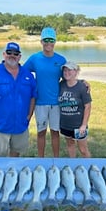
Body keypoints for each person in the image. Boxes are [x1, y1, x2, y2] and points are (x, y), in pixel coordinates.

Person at [23, 27, 66, 157]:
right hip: (40, 102)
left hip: (56, 103)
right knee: (41, 132)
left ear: (55, 42)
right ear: (41, 41)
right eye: (45, 40)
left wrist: (82, 83)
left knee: (55, 132)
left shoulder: (61, 60)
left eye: (51, 40)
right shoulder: (34, 58)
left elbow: (69, 77)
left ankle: (56, 159)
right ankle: (40, 159)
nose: (48, 43)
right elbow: (22, 72)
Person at [59, 61, 92, 158]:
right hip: (65, 125)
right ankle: (73, 166)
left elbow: (88, 106)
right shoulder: (61, 84)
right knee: (70, 145)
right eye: (65, 70)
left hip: (78, 126)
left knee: (83, 149)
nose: (67, 72)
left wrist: (84, 125)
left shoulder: (82, 87)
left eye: (70, 70)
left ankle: (89, 168)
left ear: (76, 71)